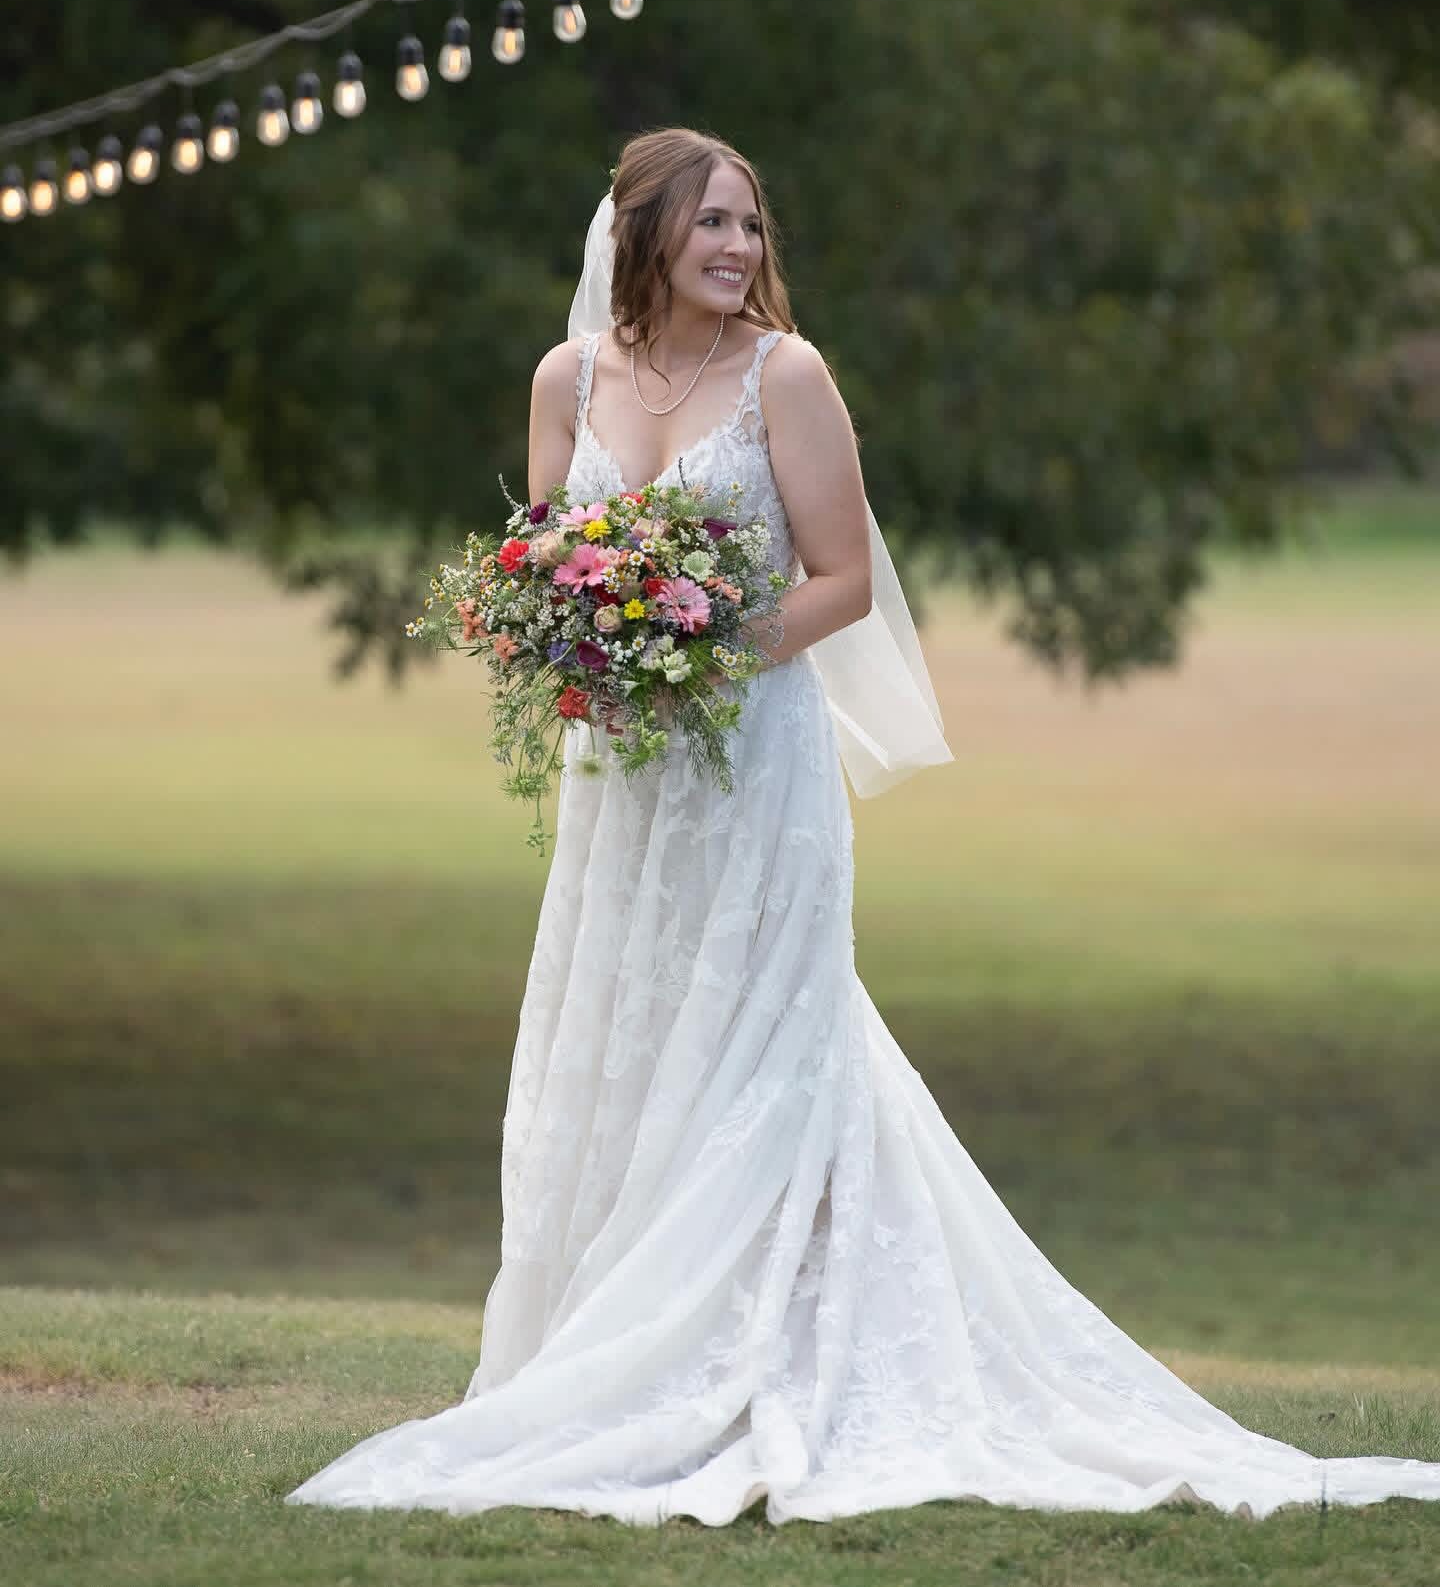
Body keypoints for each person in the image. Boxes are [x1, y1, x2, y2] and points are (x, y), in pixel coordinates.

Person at [286, 127, 1440, 1526]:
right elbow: (543, 551)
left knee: (765, 1041)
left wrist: (705, 649)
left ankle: (769, 1345)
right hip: (624, 780)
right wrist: (572, 634)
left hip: (755, 763)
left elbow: (842, 578)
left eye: (750, 225)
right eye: (712, 222)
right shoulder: (566, 377)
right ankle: (612, 1331)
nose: (738, 248)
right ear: (642, 232)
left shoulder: (788, 375)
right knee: (633, 1024)